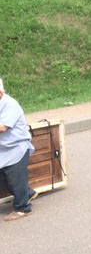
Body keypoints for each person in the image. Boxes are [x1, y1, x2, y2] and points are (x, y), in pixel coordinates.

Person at [0, 78, 37, 222]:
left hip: (16, 147)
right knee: (4, 180)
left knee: (15, 179)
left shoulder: (10, 104)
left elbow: (3, 127)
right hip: (3, 150)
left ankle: (22, 208)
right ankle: (27, 193)